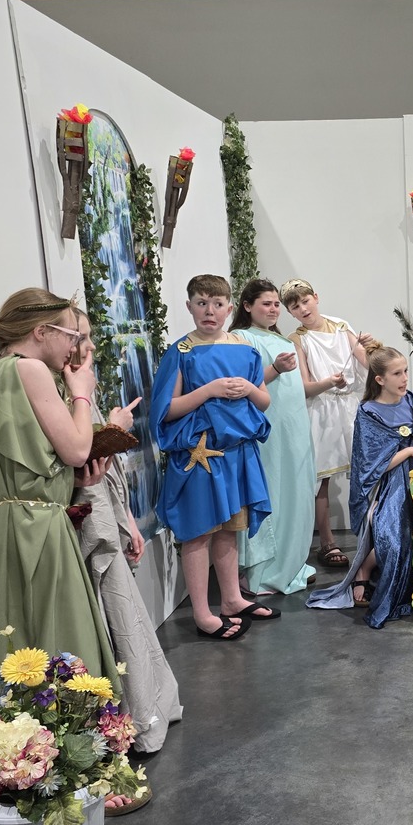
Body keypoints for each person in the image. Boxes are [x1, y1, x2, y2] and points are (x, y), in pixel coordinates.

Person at [0, 289, 121, 684]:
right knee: (57, 636)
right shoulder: (29, 369)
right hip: (34, 527)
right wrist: (81, 393)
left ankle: (24, 738)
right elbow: (74, 449)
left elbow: (26, 463)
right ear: (41, 331)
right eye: (71, 335)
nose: (76, 347)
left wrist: (69, 480)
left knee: (15, 633)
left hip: (2, 524)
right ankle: (65, 736)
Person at [71, 310, 183, 762]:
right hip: (84, 515)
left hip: (107, 509)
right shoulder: (66, 393)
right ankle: (120, 719)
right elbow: (79, 460)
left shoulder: (81, 389)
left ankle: (143, 706)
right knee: (109, 614)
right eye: (84, 340)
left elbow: (103, 465)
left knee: (125, 615)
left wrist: (131, 523)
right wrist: (112, 428)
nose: (92, 349)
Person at [151, 274, 278, 640]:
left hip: (235, 455)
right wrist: (209, 390)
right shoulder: (181, 352)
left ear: (229, 307)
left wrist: (250, 389)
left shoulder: (244, 348)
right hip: (199, 456)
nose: (210, 311)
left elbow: (264, 401)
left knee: (229, 528)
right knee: (199, 532)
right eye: (202, 303)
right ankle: (203, 612)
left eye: (218, 304)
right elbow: (167, 410)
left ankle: (233, 599)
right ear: (189, 306)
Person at [307, 347, 413, 628]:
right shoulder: (369, 412)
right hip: (382, 486)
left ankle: (374, 569)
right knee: (395, 539)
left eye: (405, 371)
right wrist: (409, 453)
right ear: (380, 379)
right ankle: (363, 571)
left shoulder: (412, 402)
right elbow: (369, 466)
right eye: (397, 373)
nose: (405, 378)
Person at [229, 279, 317, 595]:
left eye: (277, 304)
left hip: (293, 428)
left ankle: (292, 560)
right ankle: (265, 571)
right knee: (275, 493)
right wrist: (276, 369)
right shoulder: (241, 337)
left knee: (298, 492)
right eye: (267, 303)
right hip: (270, 430)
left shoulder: (279, 337)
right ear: (247, 306)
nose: (274, 309)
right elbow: (243, 384)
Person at [281, 278, 374, 571]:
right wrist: (329, 382)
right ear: (290, 312)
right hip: (321, 410)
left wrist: (372, 347)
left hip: (350, 406)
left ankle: (374, 534)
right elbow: (305, 386)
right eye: (294, 306)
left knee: (367, 471)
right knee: (322, 480)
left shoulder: (340, 326)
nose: (302, 308)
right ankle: (327, 541)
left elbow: (365, 362)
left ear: (316, 298)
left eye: (305, 301)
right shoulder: (297, 340)